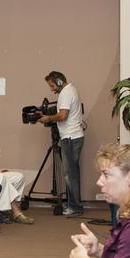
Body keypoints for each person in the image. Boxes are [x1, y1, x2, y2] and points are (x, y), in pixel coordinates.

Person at [42, 71, 87, 218]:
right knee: (72, 172)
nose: (52, 89)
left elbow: (62, 116)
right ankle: (73, 206)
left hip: (70, 138)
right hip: (72, 136)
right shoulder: (71, 90)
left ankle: (75, 207)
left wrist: (48, 118)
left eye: (52, 85)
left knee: (70, 174)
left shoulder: (66, 93)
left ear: (60, 82)